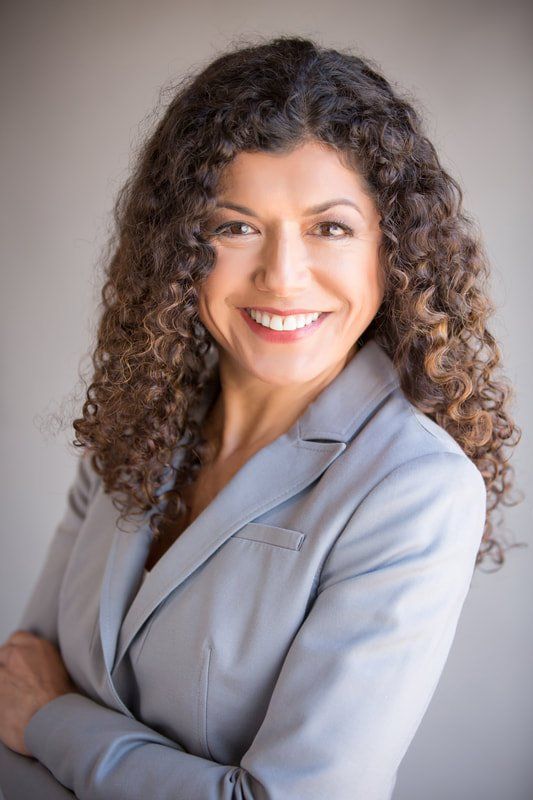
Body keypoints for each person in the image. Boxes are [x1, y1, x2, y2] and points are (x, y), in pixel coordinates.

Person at [0, 34, 522, 800]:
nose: (281, 277)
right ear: (180, 246)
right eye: (233, 225)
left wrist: (54, 723)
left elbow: (29, 706)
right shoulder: (141, 424)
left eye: (329, 227)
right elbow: (21, 669)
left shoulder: (416, 489)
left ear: (394, 250)